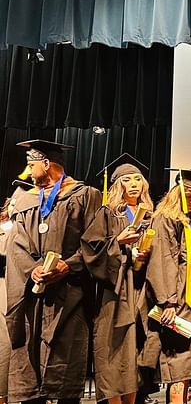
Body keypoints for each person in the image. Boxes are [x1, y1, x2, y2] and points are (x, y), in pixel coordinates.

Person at [5, 140, 102, 404]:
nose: (28, 169)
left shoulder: (84, 195)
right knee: (29, 357)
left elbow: (96, 240)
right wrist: (33, 269)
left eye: (31, 164)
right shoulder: (27, 199)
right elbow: (18, 245)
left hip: (70, 293)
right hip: (32, 295)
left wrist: (68, 265)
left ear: (47, 164)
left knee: (65, 355)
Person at [81, 154, 156, 404]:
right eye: (127, 180)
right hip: (116, 292)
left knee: (135, 355)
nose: (134, 184)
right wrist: (118, 242)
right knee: (115, 354)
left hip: (143, 289)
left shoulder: (150, 215)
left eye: (138, 179)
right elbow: (91, 248)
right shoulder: (108, 213)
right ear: (118, 185)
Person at [147, 168, 191, 404]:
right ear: (176, 192)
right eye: (189, 195)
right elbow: (162, 261)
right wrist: (168, 302)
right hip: (179, 303)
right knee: (179, 367)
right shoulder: (165, 218)